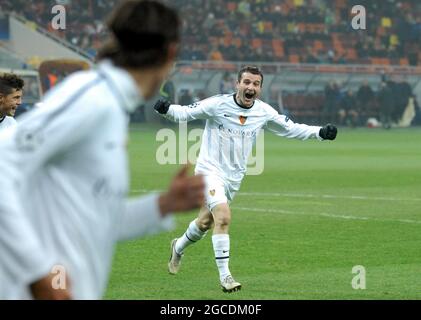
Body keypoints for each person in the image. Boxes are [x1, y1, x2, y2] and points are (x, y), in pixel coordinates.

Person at [0, 0, 205, 300]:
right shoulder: (92, 98)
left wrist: (162, 205)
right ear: (171, 53)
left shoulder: (110, 106)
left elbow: (93, 220)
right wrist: (37, 274)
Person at [154, 65, 338, 293]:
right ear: (238, 84)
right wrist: (166, 109)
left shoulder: (263, 112)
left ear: (260, 88)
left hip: (233, 178)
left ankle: (178, 247)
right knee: (223, 217)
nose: (251, 87)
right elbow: (185, 112)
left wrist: (320, 133)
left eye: (256, 84)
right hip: (209, 172)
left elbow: (291, 129)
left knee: (205, 223)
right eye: (247, 82)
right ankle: (226, 277)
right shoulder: (218, 104)